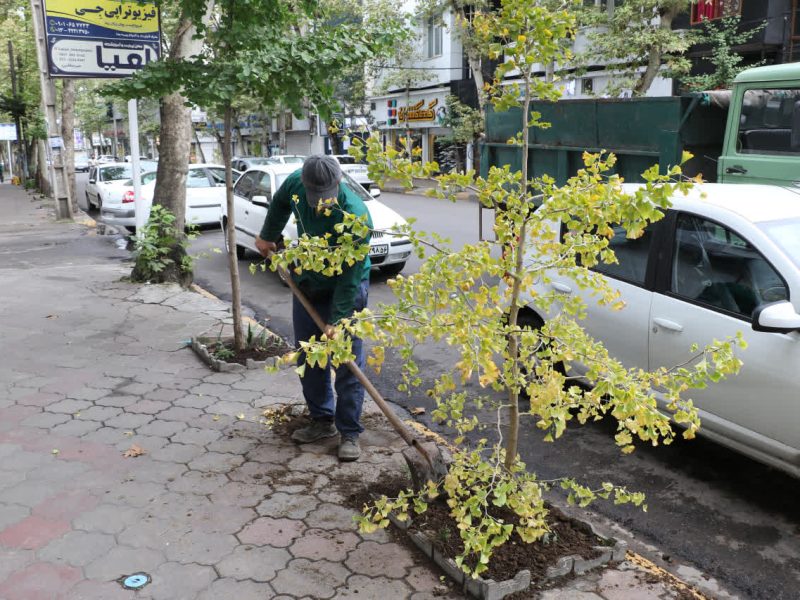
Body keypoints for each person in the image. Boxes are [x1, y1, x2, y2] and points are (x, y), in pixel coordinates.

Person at [255, 155, 372, 462]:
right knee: (308, 352)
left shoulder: (356, 216)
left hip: (346, 285)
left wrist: (337, 319)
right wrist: (268, 237)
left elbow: (349, 278)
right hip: (308, 277)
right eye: (315, 198)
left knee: (346, 360)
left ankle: (349, 431)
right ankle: (322, 420)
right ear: (305, 185)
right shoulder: (295, 183)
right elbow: (279, 205)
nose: (320, 204)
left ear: (338, 183)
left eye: (326, 198)